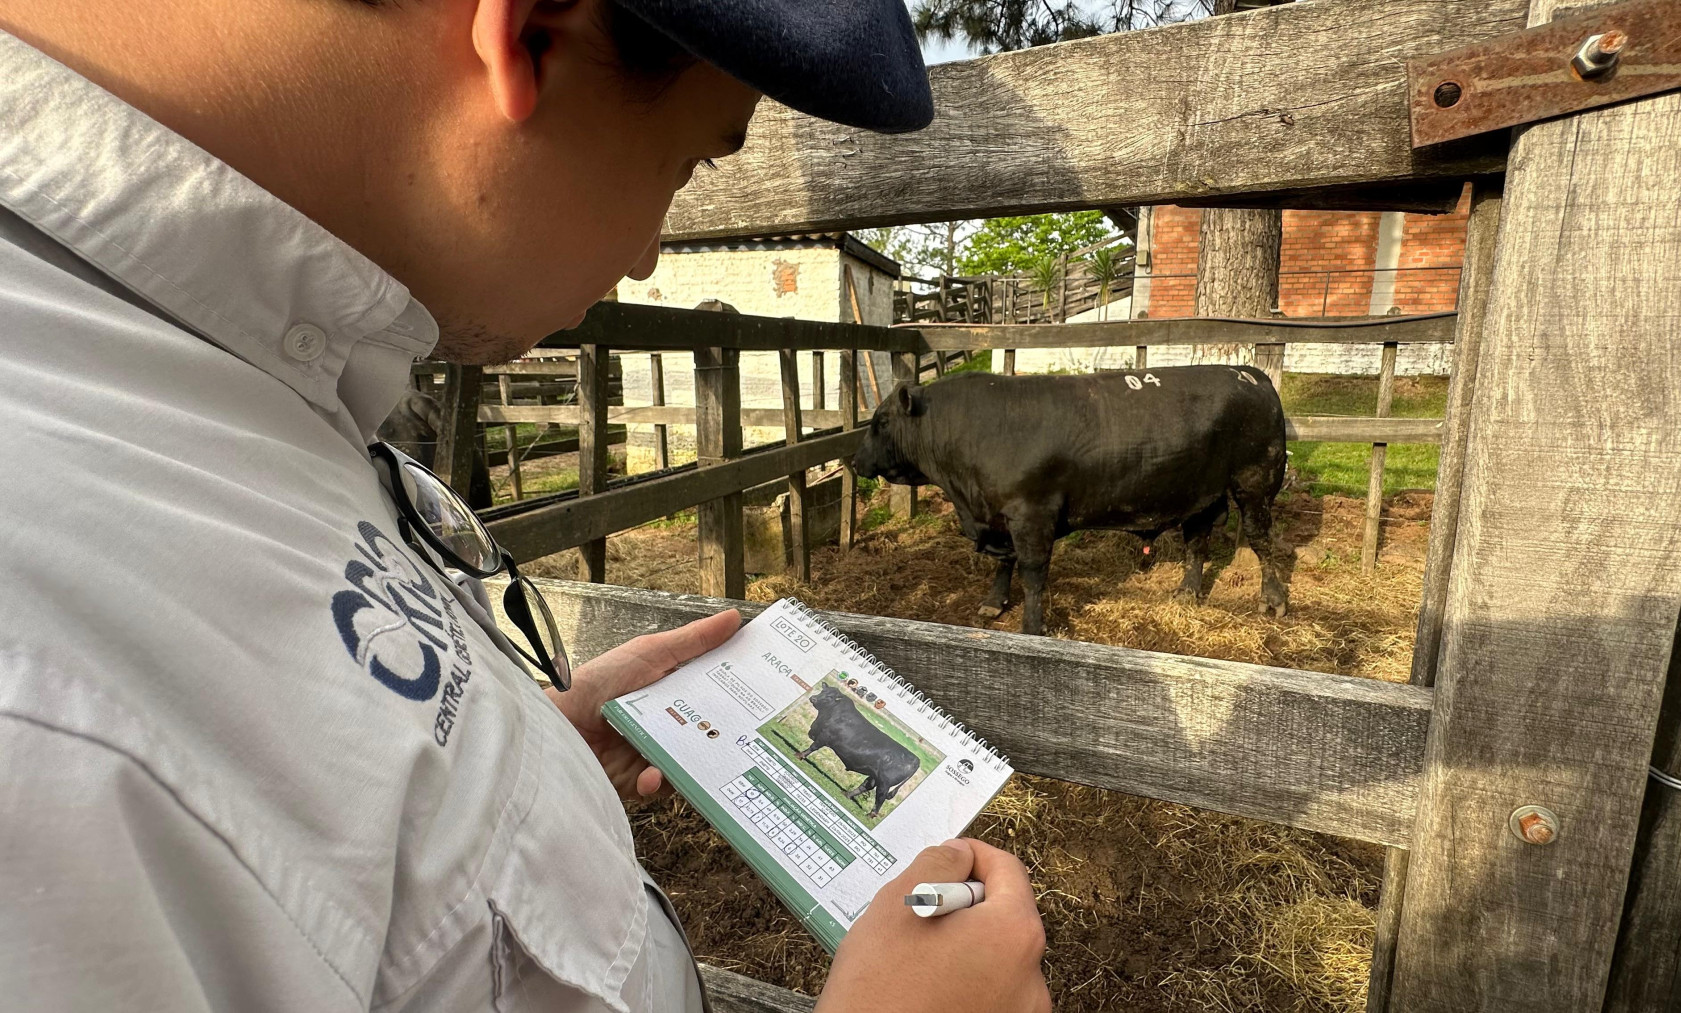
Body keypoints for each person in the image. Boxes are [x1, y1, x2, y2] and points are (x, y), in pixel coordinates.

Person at [0, 0, 1050, 1010]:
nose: (648, 251)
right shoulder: (44, 697)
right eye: (688, 164)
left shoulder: (225, 353)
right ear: (531, 30)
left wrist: (519, 762)